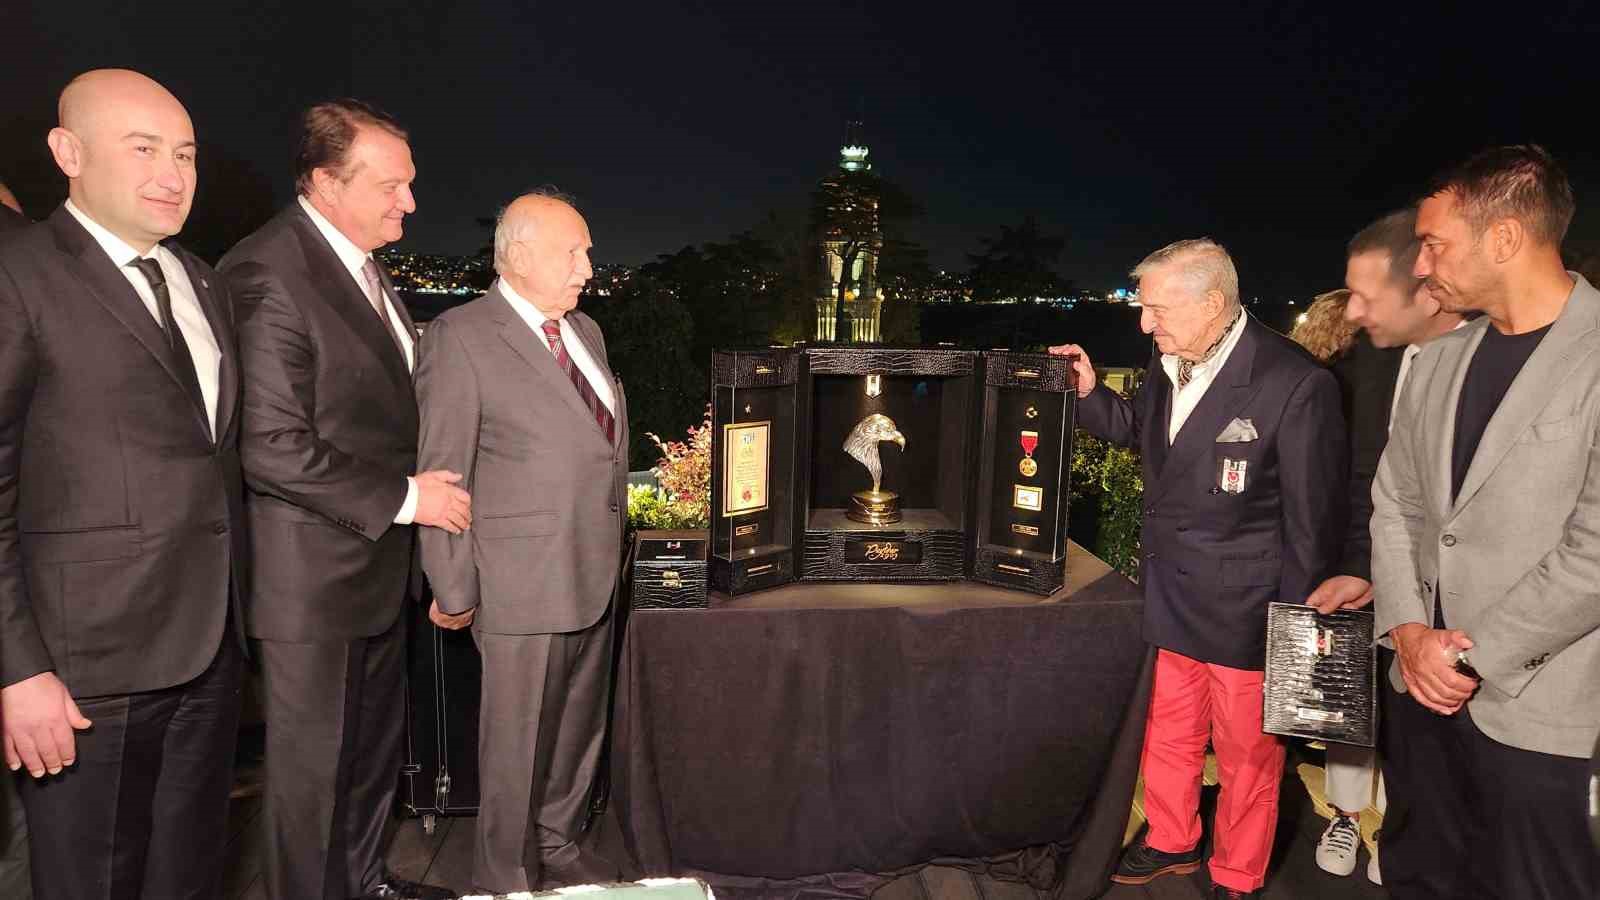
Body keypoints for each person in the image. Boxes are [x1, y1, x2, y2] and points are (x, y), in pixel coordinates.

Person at [0, 68, 247, 899]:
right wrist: (15, 668)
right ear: (68, 153)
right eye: (143, 149)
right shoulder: (17, 275)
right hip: (80, 671)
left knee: (187, 874)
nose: (172, 176)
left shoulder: (201, 280)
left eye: (184, 154)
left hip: (210, 651)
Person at [218, 99, 468, 900]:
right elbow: (269, 444)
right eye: (391, 184)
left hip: (370, 574)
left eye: (411, 183)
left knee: (365, 762)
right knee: (310, 783)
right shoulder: (267, 272)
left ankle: (360, 884)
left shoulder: (362, 266)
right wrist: (406, 499)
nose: (411, 202)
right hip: (310, 588)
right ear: (326, 182)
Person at [1051, 239, 1346, 899]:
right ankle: (1171, 840)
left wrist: (1295, 636)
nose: (1144, 324)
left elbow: (1312, 524)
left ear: (1212, 302)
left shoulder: (1295, 382)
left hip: (1248, 609)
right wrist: (1093, 394)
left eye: (1156, 308)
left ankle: (1238, 873)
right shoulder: (1169, 359)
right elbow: (1142, 434)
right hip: (1172, 591)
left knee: (1248, 755)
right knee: (1169, 730)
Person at [1371, 144, 1600, 899]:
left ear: (1503, 239)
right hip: (1420, 699)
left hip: (1540, 717)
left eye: (1434, 243)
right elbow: (1396, 505)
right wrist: (1407, 631)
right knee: (1421, 877)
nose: (1422, 267)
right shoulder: (1436, 361)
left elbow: (1593, 557)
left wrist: (1467, 659)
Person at [416, 190, 627, 893]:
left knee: (576, 736)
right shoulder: (461, 336)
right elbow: (443, 469)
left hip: (594, 574)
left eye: (587, 251)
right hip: (517, 584)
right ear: (520, 254)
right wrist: (453, 586)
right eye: (574, 252)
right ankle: (502, 877)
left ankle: (559, 848)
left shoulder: (587, 333)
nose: (588, 267)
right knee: (514, 749)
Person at [1293, 209, 1467, 885]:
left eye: (1366, 296)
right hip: (1368, 570)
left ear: (1423, 284)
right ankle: (1345, 813)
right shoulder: (1370, 364)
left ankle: (1394, 833)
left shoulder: (1486, 361)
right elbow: (1365, 475)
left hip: (1447, 599)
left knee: (1415, 725)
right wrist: (1356, 568)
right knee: (1349, 699)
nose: (1352, 313)